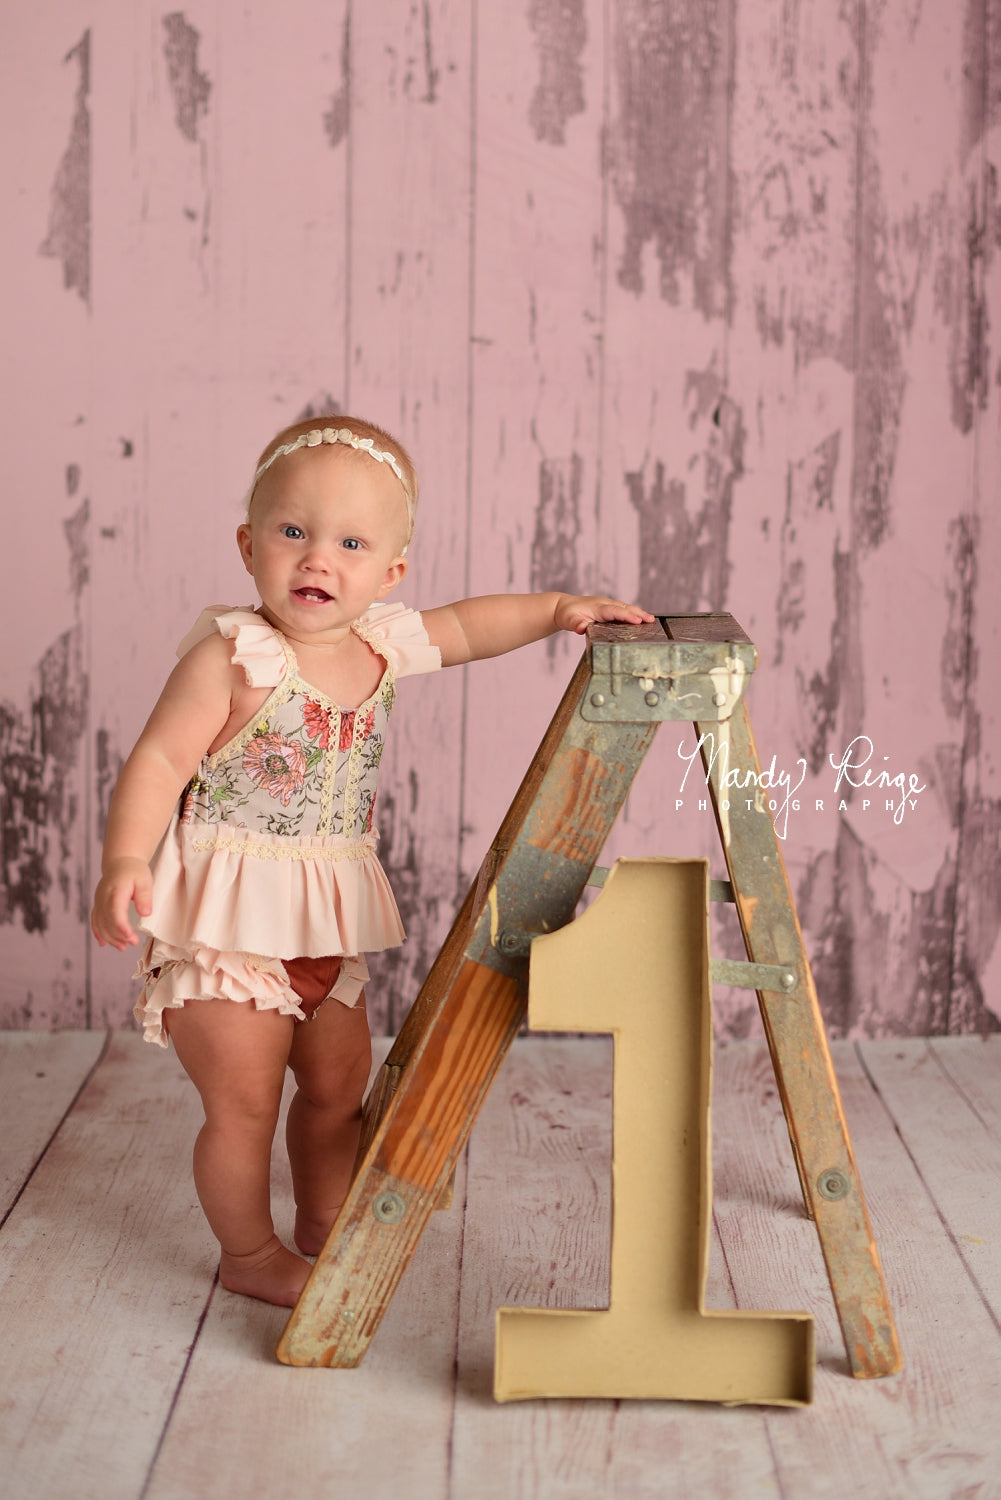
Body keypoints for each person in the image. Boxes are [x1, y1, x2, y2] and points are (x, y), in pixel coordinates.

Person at [90, 415, 653, 1308]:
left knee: (335, 1085)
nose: (318, 559)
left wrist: (556, 612)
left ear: (388, 573)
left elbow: (468, 626)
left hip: (321, 922)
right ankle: (247, 1252)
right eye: (292, 532)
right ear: (248, 545)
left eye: (351, 543)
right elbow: (158, 761)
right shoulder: (234, 658)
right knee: (242, 1104)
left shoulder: (379, 646)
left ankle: (323, 1219)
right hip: (222, 929)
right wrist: (126, 856)